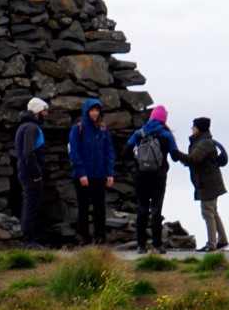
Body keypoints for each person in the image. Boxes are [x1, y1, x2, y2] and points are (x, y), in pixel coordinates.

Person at [123, 105, 185, 253]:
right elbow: (176, 157)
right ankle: (157, 245)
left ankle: (141, 246)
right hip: (158, 176)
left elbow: (125, 152)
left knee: (142, 209)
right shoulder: (166, 135)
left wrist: (138, 159)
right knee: (156, 210)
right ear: (164, 119)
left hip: (140, 176)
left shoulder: (139, 133)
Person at [68, 98, 115, 246]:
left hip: (99, 175)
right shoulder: (78, 128)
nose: (95, 113)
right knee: (83, 206)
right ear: (87, 111)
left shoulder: (103, 130)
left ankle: (100, 237)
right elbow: (74, 152)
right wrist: (81, 173)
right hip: (83, 175)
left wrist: (110, 173)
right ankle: (85, 238)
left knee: (100, 207)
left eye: (97, 110)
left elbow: (109, 151)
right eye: (92, 110)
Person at [179, 116, 229, 252]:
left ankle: (211, 244)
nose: (192, 128)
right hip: (210, 181)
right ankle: (222, 241)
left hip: (208, 182)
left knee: (207, 211)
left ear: (199, 128)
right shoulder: (202, 142)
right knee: (212, 211)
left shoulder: (204, 143)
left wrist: (177, 154)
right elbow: (195, 159)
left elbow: (194, 158)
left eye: (194, 126)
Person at [14, 97, 49, 247]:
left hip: (25, 172)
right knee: (31, 205)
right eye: (44, 111)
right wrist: (37, 173)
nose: (46, 114)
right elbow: (29, 153)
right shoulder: (32, 128)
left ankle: (27, 238)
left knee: (29, 204)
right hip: (30, 174)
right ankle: (28, 241)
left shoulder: (25, 127)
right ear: (37, 112)